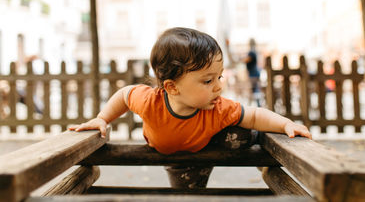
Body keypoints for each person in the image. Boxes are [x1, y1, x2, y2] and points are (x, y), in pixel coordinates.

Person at [69, 27, 311, 189]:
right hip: (181, 162)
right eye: (208, 80)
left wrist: (286, 123)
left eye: (219, 77)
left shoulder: (217, 108)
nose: (218, 87)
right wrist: (102, 118)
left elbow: (255, 114)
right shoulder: (149, 101)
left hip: (209, 142)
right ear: (172, 87)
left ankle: (261, 156)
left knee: (244, 131)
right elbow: (124, 95)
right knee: (187, 196)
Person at [243, 38, 262, 106]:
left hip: (253, 74)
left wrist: (240, 59)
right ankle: (257, 104)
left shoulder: (251, 52)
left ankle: (258, 105)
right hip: (254, 73)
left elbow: (246, 60)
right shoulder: (255, 51)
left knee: (254, 90)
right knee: (255, 89)